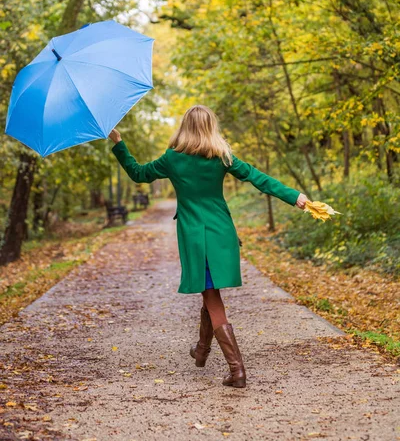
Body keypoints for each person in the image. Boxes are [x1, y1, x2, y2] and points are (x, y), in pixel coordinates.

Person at [109, 105, 307, 389]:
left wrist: (119, 144)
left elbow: (139, 174)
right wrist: (294, 196)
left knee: (212, 297)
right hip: (221, 233)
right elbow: (257, 178)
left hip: (194, 236)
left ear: (185, 127)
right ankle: (201, 351)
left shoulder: (172, 159)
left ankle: (237, 370)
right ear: (210, 126)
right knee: (210, 291)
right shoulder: (221, 156)